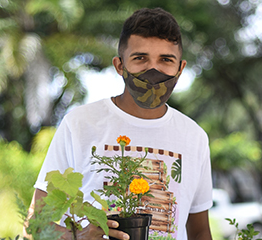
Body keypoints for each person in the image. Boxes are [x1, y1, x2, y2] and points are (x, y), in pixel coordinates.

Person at [24, 7, 213, 240]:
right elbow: (35, 224)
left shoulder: (194, 137)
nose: (153, 70)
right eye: (140, 58)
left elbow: (200, 232)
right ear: (120, 65)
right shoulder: (80, 124)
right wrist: (77, 236)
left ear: (180, 68)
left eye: (165, 60)